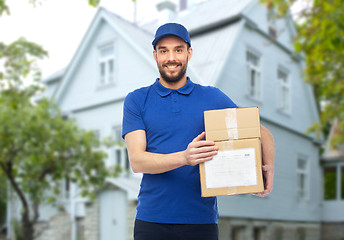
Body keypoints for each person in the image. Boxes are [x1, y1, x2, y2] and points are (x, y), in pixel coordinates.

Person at [122, 23, 275, 240]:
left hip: (201, 222)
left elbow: (262, 133)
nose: (171, 57)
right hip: (152, 221)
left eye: (178, 49)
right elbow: (138, 161)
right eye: (164, 51)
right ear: (155, 55)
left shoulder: (212, 97)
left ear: (189, 53)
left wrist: (266, 172)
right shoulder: (137, 100)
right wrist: (185, 157)